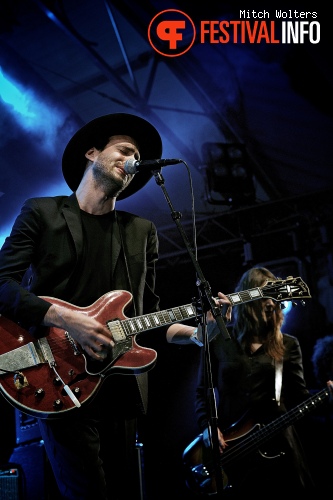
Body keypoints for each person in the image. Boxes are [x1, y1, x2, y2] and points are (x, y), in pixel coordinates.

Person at [0, 113, 230, 500]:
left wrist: (196, 333)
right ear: (92, 152)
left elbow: (148, 317)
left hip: (119, 388)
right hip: (55, 376)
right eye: (125, 149)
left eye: (137, 155)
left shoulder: (141, 233)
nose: (132, 158)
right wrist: (66, 318)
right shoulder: (42, 213)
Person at [191, 267, 333, 498]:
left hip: (279, 448)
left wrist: (327, 396)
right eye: (264, 295)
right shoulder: (218, 340)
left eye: (274, 297)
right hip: (233, 448)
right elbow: (201, 391)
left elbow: (299, 397)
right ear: (248, 299)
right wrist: (208, 425)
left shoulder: (287, 344)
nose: (270, 303)